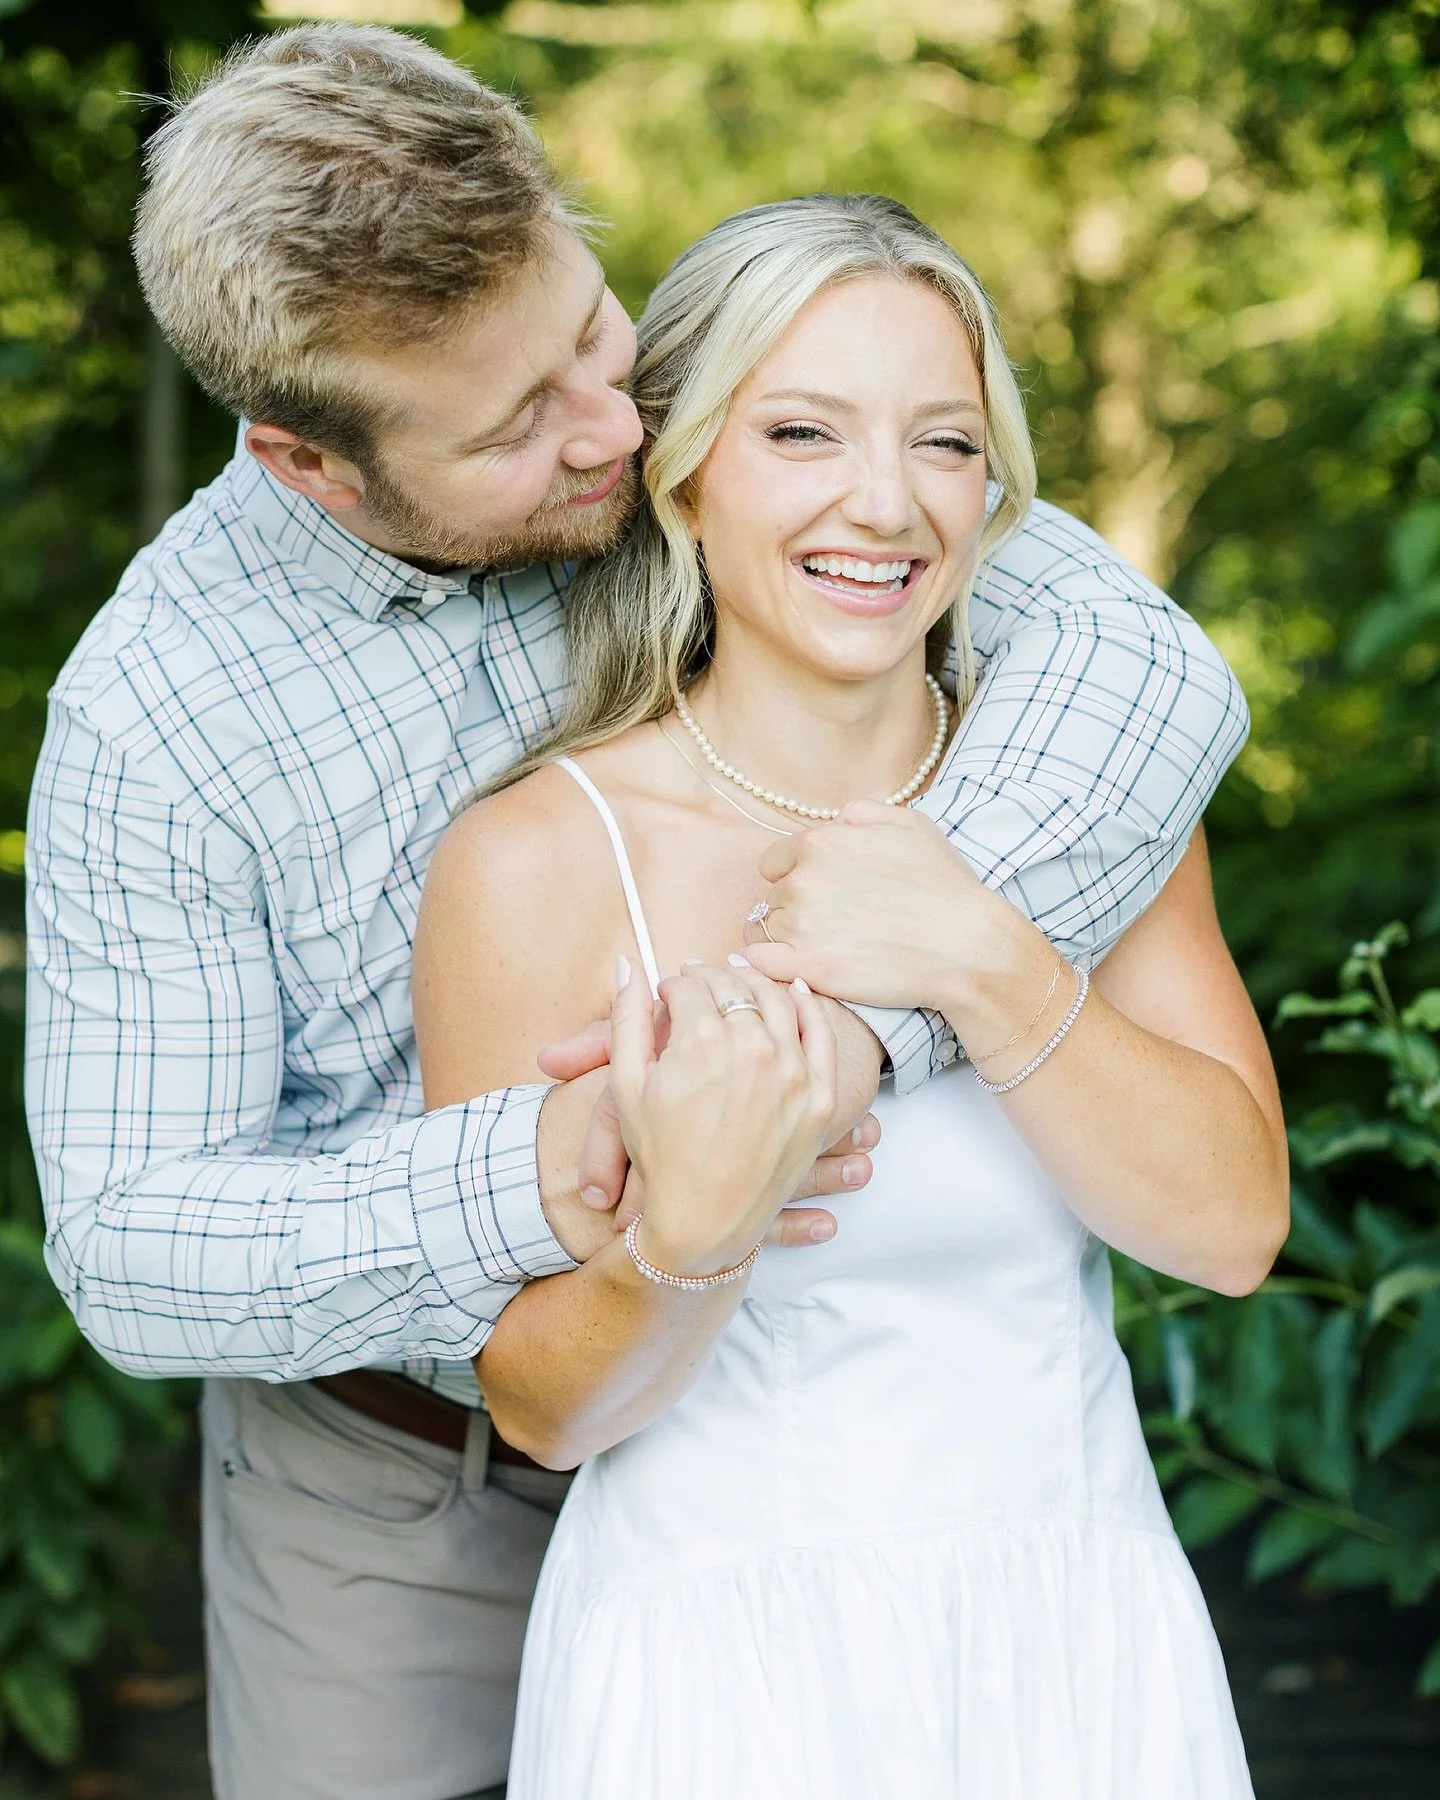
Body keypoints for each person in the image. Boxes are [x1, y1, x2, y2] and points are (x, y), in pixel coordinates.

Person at [23, 24, 1247, 1800]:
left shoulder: (703, 413)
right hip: (404, 1477)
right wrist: (574, 1152)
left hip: (873, 1459)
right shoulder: (164, 716)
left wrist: (864, 1017)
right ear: (313, 460)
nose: (614, 423)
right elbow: (132, 1244)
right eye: (524, 421)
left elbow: (1142, 672)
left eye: (591, 330)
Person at [414, 195, 1288, 1799]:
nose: (885, 505)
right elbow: (539, 1405)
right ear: (681, 476)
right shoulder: (535, 858)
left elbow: (1231, 1232)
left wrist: (983, 959)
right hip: (715, 1675)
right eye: (803, 431)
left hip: (1075, 1641)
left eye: (945, 444)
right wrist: (697, 1224)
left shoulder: (1096, 808)